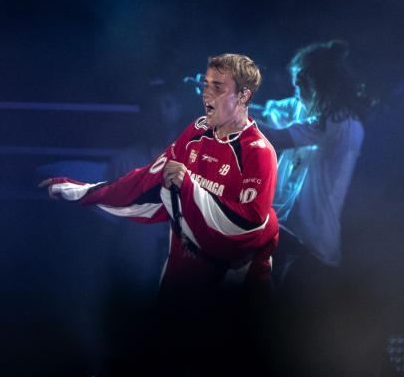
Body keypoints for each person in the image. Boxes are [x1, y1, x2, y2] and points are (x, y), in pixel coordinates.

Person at [39, 53, 279, 296]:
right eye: (152, 107)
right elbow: (107, 225)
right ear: (144, 115)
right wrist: (101, 277)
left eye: (166, 104)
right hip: (133, 274)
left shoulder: (202, 152)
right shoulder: (126, 159)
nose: (159, 112)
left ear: (176, 110)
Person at [255, 40, 374, 291]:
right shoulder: (305, 105)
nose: (295, 87)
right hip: (287, 234)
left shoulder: (339, 122)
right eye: (295, 81)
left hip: (310, 250)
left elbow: (275, 137)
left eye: (301, 82)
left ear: (320, 83)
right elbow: (266, 114)